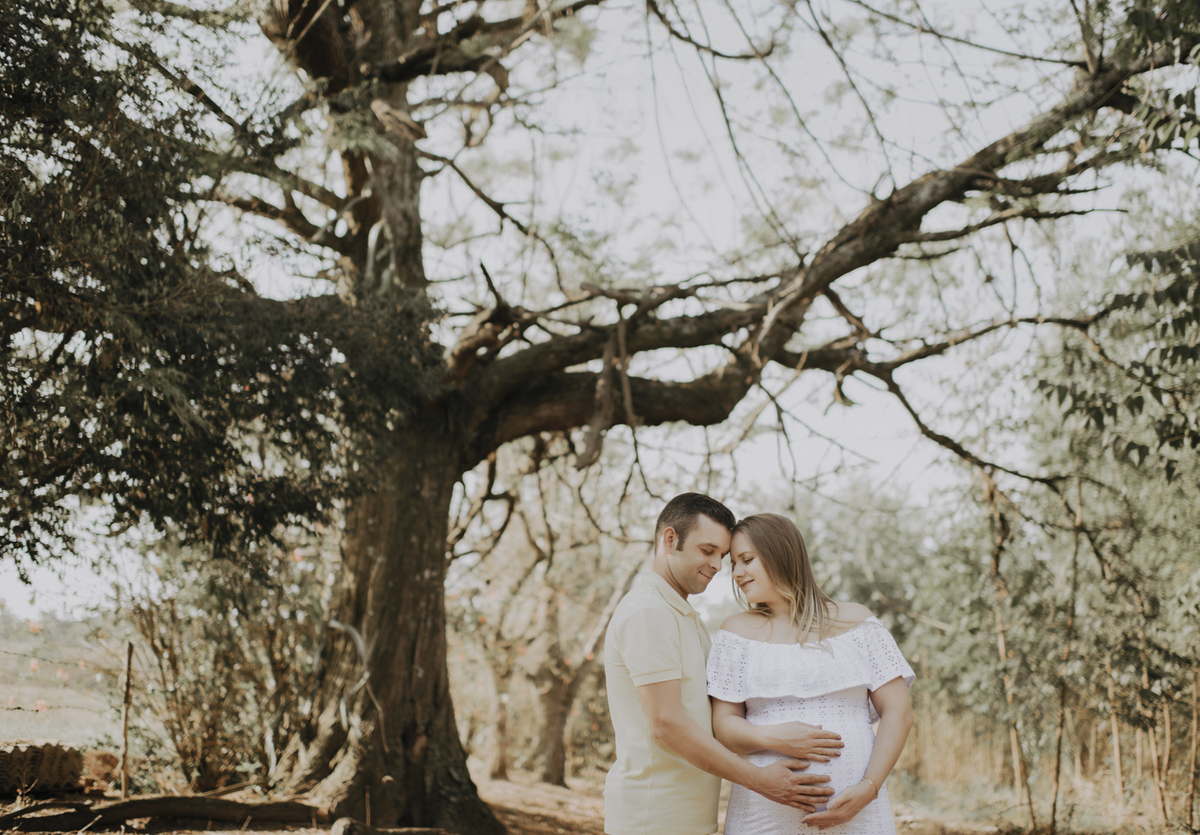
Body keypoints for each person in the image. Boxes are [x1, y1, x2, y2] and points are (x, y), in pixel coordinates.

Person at [604, 494, 844, 835]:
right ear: (670, 540)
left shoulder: (682, 614)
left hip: (683, 816)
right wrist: (761, 780)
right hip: (652, 817)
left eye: (722, 556)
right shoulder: (649, 612)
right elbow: (666, 723)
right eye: (707, 550)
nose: (718, 566)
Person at [708, 513, 915, 834]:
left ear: (781, 553)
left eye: (746, 559)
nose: (737, 573)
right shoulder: (735, 633)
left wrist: (869, 788)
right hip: (763, 820)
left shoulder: (859, 623)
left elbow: (899, 713)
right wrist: (773, 737)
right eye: (733, 564)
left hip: (859, 816)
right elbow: (723, 726)